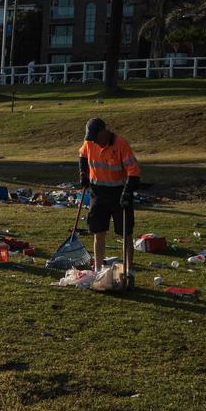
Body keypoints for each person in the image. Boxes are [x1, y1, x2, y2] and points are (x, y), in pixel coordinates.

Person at [78, 117, 141, 287]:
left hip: (119, 193)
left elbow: (134, 171)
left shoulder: (121, 144)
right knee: (98, 232)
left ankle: (128, 272)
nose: (93, 141)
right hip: (98, 193)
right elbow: (82, 156)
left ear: (103, 131)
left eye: (95, 137)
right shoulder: (90, 143)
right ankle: (99, 271)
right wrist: (83, 174)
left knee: (125, 232)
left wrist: (127, 192)